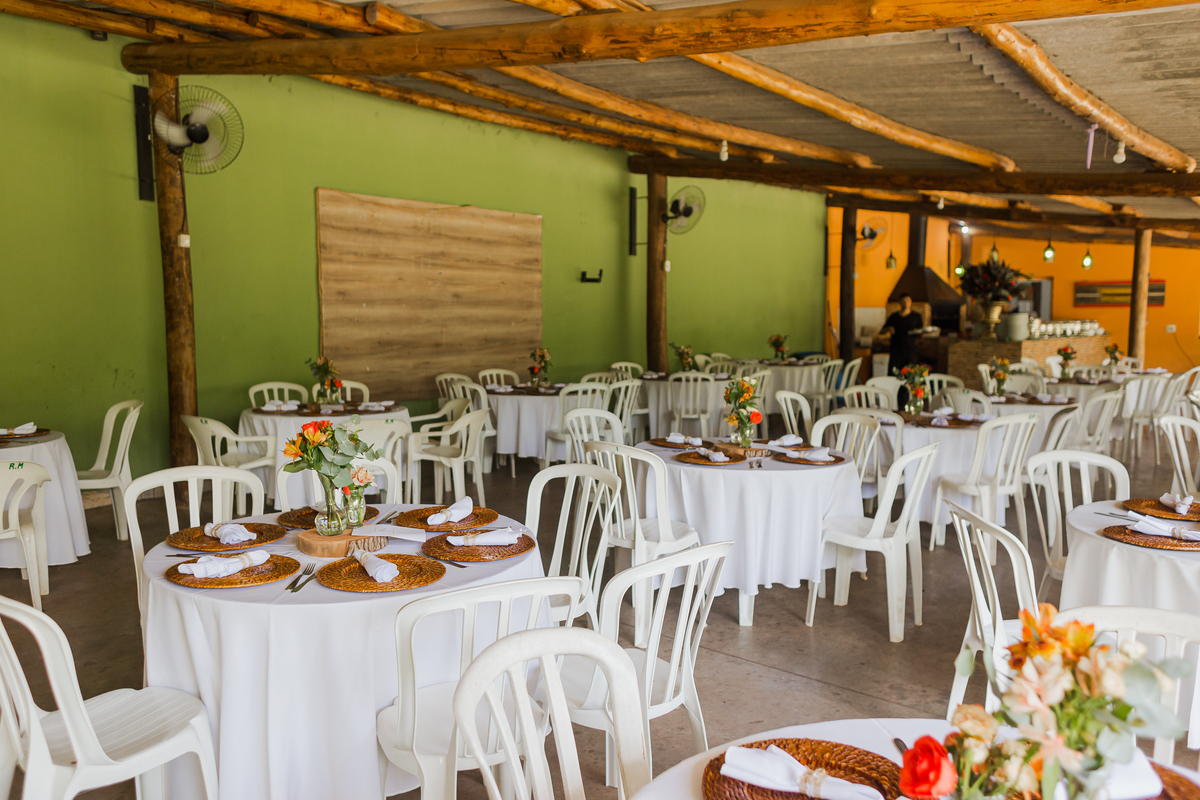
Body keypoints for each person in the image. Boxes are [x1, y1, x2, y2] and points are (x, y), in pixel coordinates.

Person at [883, 293, 924, 376]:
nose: (906, 303)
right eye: (904, 301)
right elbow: (882, 331)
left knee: (911, 375)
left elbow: (921, 332)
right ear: (900, 302)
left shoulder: (916, 316)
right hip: (896, 350)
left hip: (910, 350)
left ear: (911, 302)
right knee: (894, 374)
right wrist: (888, 329)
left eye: (908, 301)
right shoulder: (894, 317)